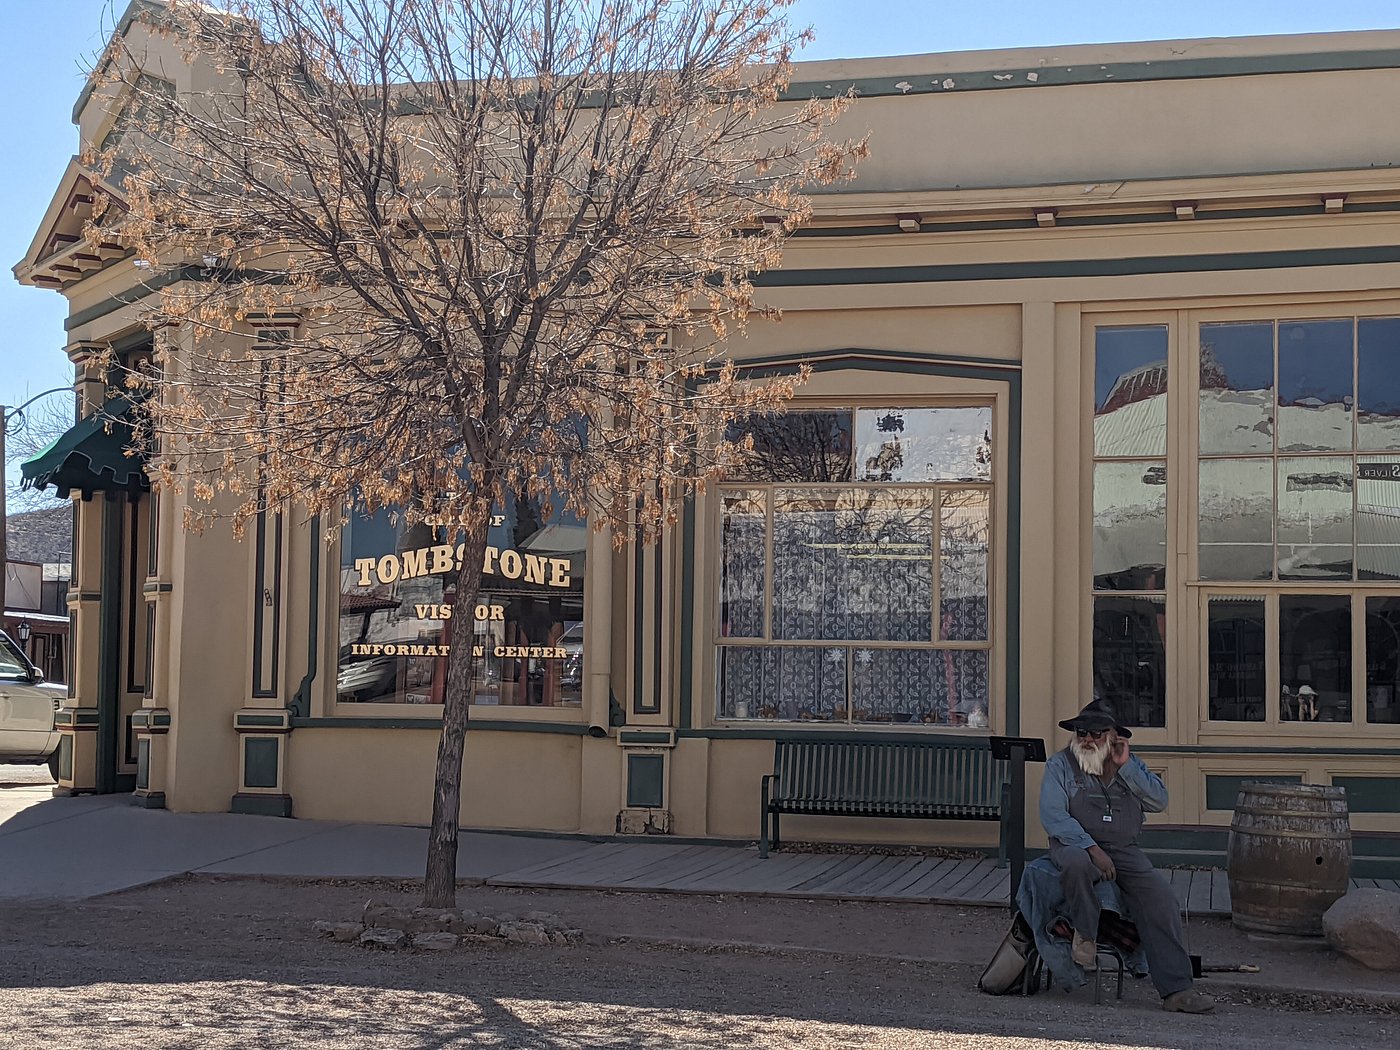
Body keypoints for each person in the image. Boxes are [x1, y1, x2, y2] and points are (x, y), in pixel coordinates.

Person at [1039, 699, 1214, 1014]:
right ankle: (1086, 935)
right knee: (1077, 863)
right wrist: (1092, 849)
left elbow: (1159, 801)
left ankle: (1177, 990)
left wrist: (1127, 766)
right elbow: (1053, 816)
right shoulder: (1059, 765)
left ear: (1114, 736)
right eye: (1082, 733)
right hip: (1075, 844)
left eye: (1096, 733)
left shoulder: (1129, 764)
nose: (1088, 739)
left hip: (1124, 850)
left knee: (1161, 899)